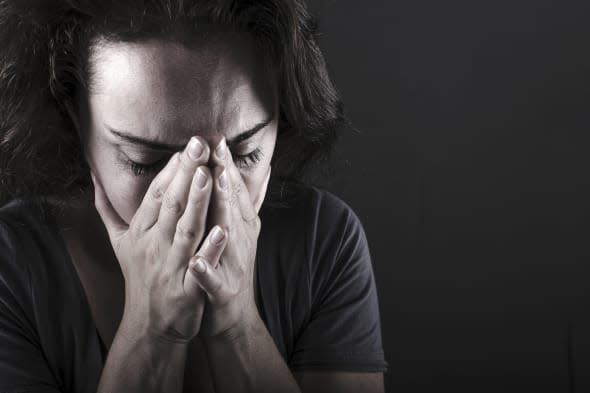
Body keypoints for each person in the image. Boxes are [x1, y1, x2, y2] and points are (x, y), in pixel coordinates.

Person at [0, 0, 388, 392]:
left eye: (244, 153)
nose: (198, 196)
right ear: (74, 117)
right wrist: (152, 331)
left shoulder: (324, 241)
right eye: (145, 161)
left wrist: (237, 327)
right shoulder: (13, 266)